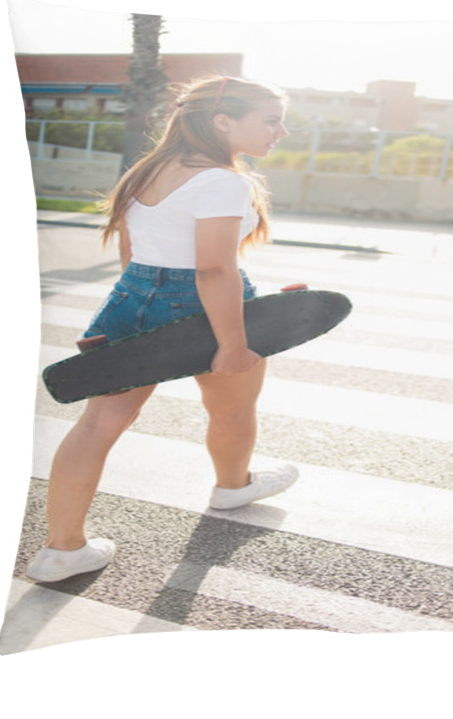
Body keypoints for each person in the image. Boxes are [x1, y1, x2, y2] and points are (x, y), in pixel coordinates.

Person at [27, 76, 298, 583]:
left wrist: (137, 306)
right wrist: (234, 344)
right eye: (270, 120)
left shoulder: (147, 170)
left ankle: (61, 550)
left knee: (96, 427)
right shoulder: (223, 180)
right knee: (232, 404)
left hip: (133, 295)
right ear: (223, 121)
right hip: (208, 304)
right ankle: (233, 485)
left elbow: (134, 254)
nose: (281, 131)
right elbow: (213, 269)